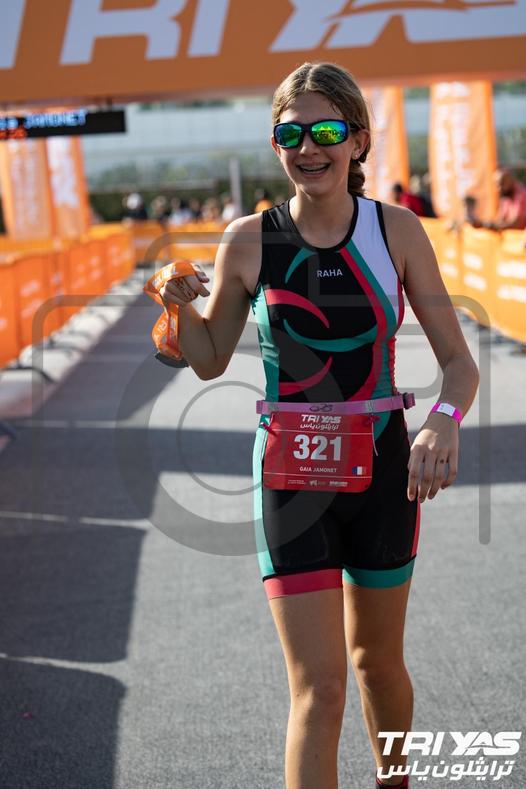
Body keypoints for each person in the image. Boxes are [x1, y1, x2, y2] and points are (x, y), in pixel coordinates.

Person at [156, 61, 479, 789]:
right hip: (290, 477)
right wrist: (175, 304)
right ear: (275, 144)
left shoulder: (396, 230)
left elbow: (460, 364)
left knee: (378, 665)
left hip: (383, 472)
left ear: (358, 140)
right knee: (320, 688)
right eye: (291, 134)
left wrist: (442, 422)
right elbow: (206, 359)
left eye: (327, 132)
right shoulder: (249, 239)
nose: (309, 148)